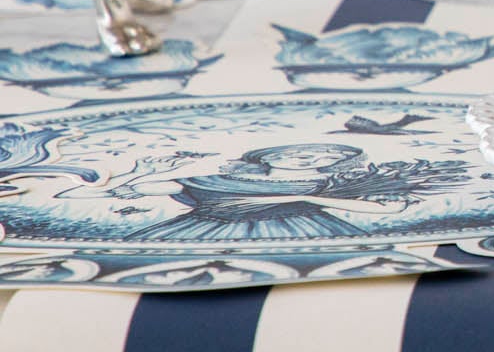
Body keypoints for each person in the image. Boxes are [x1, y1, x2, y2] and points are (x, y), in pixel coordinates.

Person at [58, 143, 415, 243]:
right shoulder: (211, 180)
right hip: (202, 233)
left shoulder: (332, 188)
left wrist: (304, 199)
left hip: (309, 233)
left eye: (330, 156)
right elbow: (78, 198)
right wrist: (142, 173)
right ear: (267, 157)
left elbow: (388, 210)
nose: (311, 156)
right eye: (293, 151)